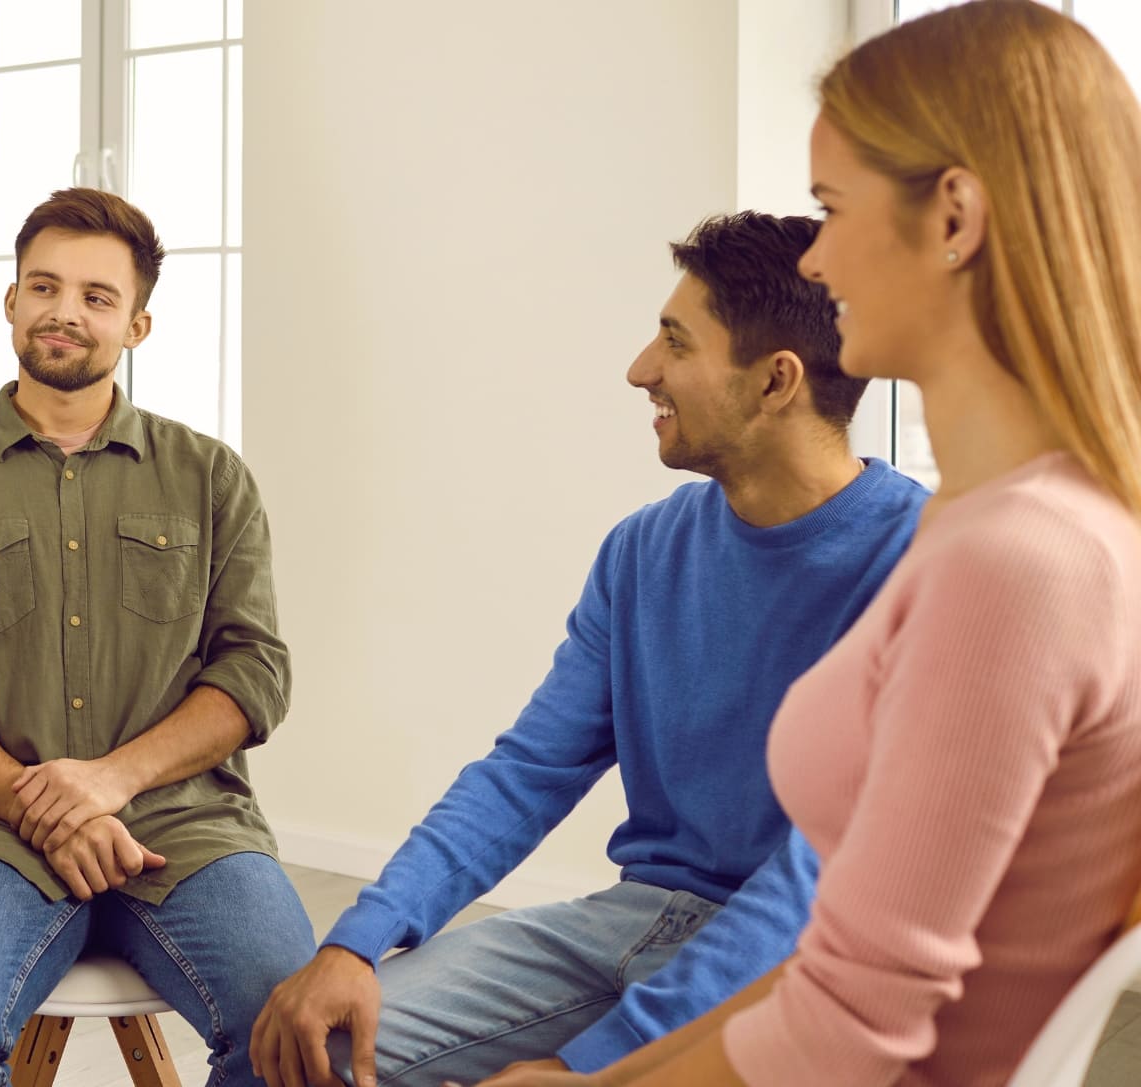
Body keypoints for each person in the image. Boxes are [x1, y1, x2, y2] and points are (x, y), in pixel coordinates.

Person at [491, 3, 1141, 1084]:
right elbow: (826, 970)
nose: (820, 259)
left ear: (954, 218)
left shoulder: (1016, 563)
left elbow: (849, 1028)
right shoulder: (987, 518)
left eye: (832, 209)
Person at [249, 212, 928, 1087]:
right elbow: (527, 770)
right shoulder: (643, 550)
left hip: (800, 957)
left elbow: (820, 878)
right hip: (631, 919)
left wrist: (593, 1069)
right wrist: (358, 938)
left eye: (675, 343)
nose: (640, 368)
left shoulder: (920, 561)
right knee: (296, 1052)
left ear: (774, 382)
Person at [0, 186, 315, 1086]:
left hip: (187, 825)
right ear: (12, 302)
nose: (64, 311)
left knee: (297, 1023)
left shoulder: (212, 478)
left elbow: (255, 669)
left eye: (97, 297)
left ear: (137, 326)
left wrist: (109, 781)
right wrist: (45, 805)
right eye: (44, 286)